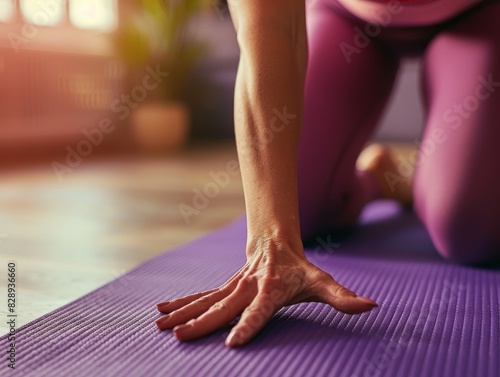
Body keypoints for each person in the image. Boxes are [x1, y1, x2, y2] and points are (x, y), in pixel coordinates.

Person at [155, 0, 500, 348]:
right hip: (348, 15)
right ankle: (380, 180)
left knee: (469, 227)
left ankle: (427, 179)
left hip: (476, 15)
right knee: (295, 205)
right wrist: (273, 243)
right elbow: (269, 28)